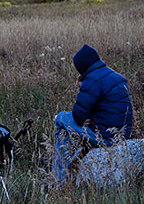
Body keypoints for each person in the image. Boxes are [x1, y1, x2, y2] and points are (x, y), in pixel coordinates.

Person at [52, 44, 133, 186]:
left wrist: (82, 87)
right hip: (122, 135)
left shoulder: (92, 81)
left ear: (81, 67)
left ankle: (59, 181)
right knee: (69, 128)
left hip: (105, 137)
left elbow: (78, 117)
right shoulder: (116, 76)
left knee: (61, 119)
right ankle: (75, 163)